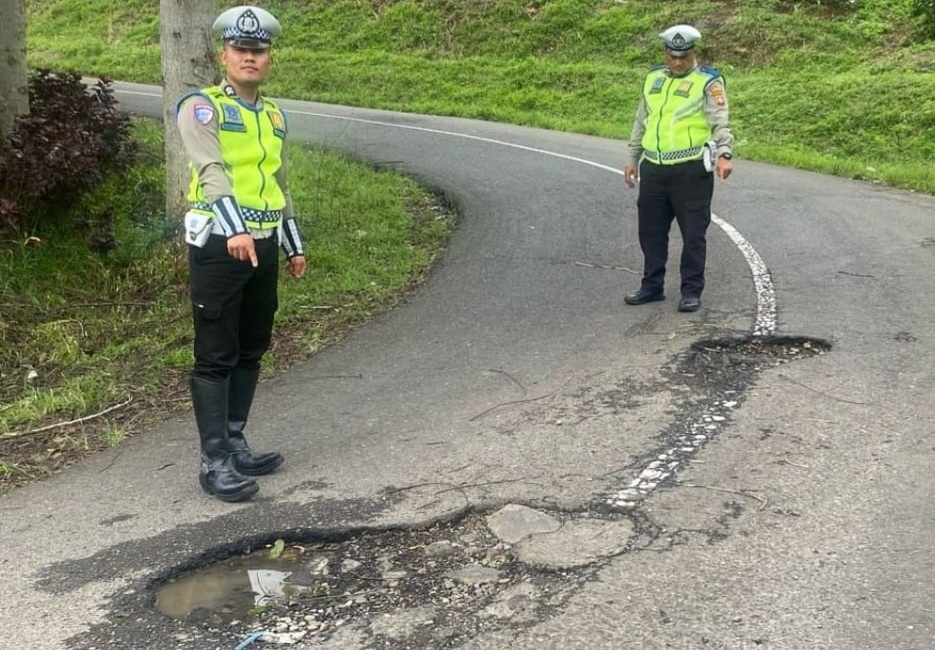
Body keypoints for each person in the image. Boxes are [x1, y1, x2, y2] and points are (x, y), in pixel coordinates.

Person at [175, 5, 306, 502]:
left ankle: (235, 441)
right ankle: (213, 462)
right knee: (216, 354)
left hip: (264, 244)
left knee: (253, 346)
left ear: (269, 58)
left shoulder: (273, 115)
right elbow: (210, 171)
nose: (250, 57)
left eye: (258, 50)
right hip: (220, 244)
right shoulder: (201, 108)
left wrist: (293, 244)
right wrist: (235, 228)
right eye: (240, 49)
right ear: (223, 55)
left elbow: (278, 184)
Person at [622, 24, 733, 313]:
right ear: (666, 53)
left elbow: (720, 121)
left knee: (693, 235)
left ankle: (691, 291)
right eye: (672, 56)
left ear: (693, 53)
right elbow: (641, 120)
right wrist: (633, 158)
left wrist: (724, 154)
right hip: (654, 169)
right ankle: (652, 287)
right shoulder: (653, 78)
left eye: (683, 57)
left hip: (691, 170)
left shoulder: (708, 82)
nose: (677, 62)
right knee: (650, 232)